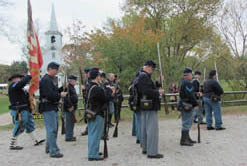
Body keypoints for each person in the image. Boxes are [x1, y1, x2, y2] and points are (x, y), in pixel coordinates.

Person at [8, 74, 45, 150]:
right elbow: (21, 83)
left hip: (25, 109)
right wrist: (30, 75)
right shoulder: (13, 85)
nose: (21, 79)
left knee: (29, 125)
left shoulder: (21, 88)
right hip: (19, 110)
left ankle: (35, 140)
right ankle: (13, 144)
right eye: (19, 78)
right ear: (14, 79)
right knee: (20, 125)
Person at [136, 60, 164, 159]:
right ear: (148, 67)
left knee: (145, 128)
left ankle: (146, 148)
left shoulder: (141, 76)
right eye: (152, 69)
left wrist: (157, 82)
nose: (152, 71)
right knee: (152, 130)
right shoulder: (144, 76)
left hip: (145, 106)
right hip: (150, 106)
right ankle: (152, 152)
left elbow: (149, 87)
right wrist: (158, 92)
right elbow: (147, 91)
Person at [39, 62, 67, 158]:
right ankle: (53, 151)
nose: (56, 72)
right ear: (50, 69)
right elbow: (49, 95)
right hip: (48, 106)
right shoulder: (46, 80)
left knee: (51, 129)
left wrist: (61, 88)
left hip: (51, 106)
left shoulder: (50, 79)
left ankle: (49, 147)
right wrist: (60, 95)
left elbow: (52, 91)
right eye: (55, 69)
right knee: (52, 130)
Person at [86, 68, 112, 161]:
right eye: (99, 76)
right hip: (97, 113)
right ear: (97, 77)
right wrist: (109, 90)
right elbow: (106, 98)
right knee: (95, 134)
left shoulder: (89, 86)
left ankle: (93, 151)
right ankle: (93, 154)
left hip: (91, 112)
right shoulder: (97, 88)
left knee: (92, 133)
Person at [178, 67, 198, 146]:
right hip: (187, 104)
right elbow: (190, 94)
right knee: (187, 122)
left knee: (187, 122)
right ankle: (184, 140)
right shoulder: (187, 83)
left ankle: (187, 138)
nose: (192, 76)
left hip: (184, 103)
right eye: (191, 74)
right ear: (188, 74)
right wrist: (195, 104)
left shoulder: (183, 82)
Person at [64, 75, 78, 141]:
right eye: (74, 80)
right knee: (69, 123)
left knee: (71, 122)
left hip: (73, 107)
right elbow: (66, 98)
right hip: (69, 108)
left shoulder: (71, 87)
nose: (75, 82)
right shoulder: (68, 87)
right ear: (71, 80)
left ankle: (70, 135)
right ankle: (68, 137)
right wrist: (69, 106)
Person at [81, 67, 91, 136]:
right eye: (86, 73)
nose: (86, 74)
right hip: (86, 100)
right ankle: (88, 128)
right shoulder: (85, 81)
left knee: (90, 115)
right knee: (87, 116)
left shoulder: (91, 80)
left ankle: (89, 129)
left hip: (90, 100)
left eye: (87, 73)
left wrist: (85, 89)